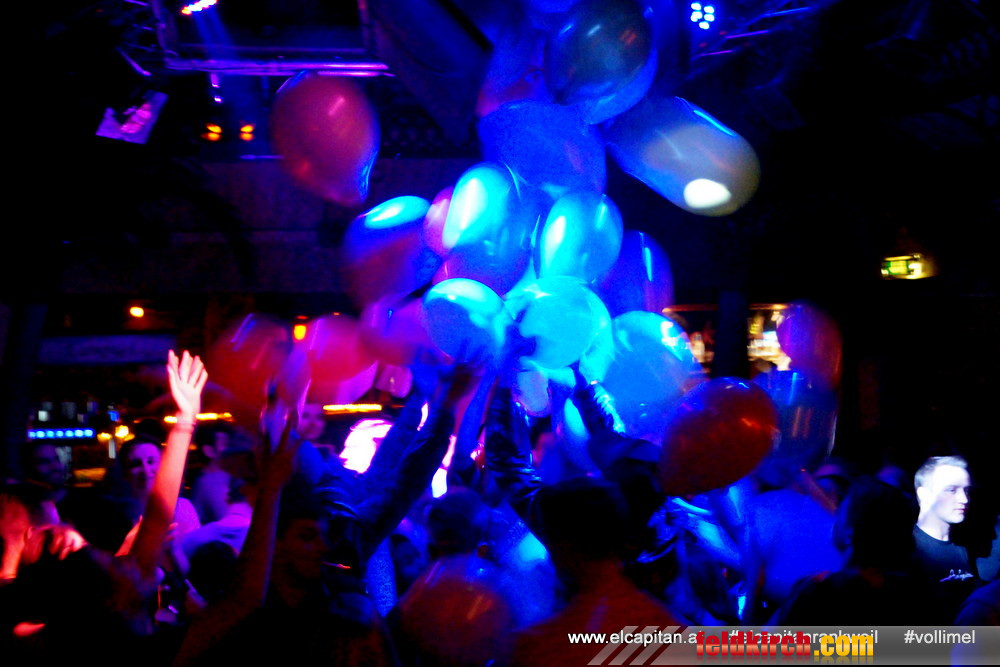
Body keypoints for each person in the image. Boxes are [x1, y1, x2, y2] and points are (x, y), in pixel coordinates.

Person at [912, 455, 980, 623]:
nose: (964, 499)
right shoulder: (905, 548)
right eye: (951, 490)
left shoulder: (968, 543)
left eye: (967, 490)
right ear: (924, 494)